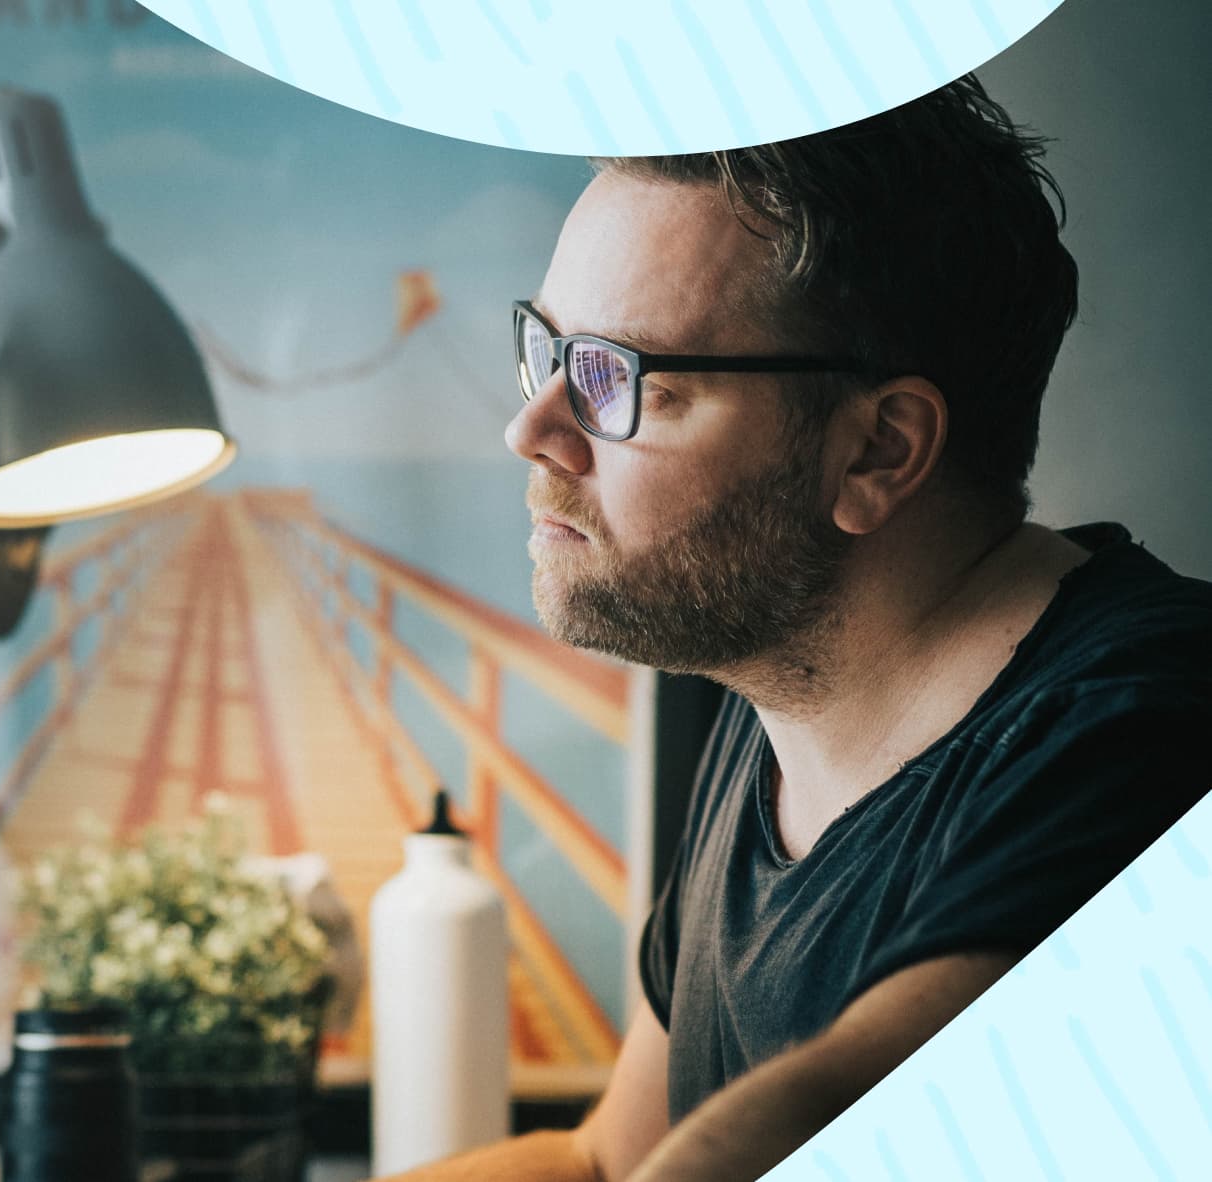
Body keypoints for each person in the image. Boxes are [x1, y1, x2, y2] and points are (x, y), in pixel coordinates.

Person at [380, 75, 1212, 1182]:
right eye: (549, 351)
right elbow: (602, 1160)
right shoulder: (785, 687)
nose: (529, 428)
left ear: (876, 450)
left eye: (617, 380)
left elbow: (787, 1140)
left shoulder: (1141, 733)